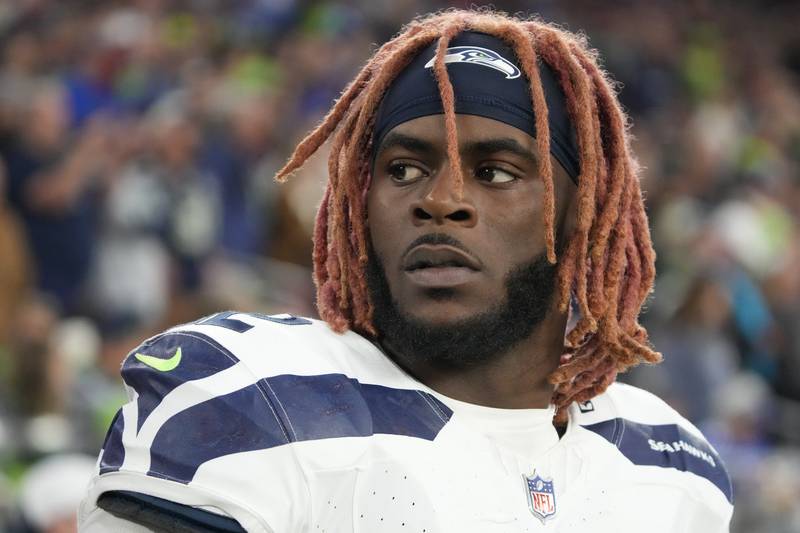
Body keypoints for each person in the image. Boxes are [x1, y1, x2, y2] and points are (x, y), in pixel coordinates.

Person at [79, 9, 733, 532]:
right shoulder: (247, 399)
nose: (441, 198)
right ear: (359, 207)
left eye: (496, 171)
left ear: (580, 217)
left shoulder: (672, 465)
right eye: (404, 168)